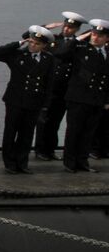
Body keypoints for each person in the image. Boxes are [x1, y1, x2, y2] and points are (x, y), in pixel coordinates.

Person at [0, 26, 56, 174]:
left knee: (26, 134)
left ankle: (22, 162)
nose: (33, 45)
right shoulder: (17, 55)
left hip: (34, 101)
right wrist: (18, 43)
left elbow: (49, 83)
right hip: (15, 100)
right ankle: (9, 162)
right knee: (10, 132)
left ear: (44, 45)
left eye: (37, 43)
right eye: (31, 42)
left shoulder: (48, 59)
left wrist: (45, 105)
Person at [54, 19, 109, 173]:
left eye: (100, 36)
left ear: (107, 38)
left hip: (97, 99)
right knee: (74, 131)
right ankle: (70, 163)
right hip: (78, 98)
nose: (95, 38)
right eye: (94, 34)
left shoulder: (107, 53)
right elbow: (60, 54)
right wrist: (77, 39)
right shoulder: (81, 48)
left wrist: (106, 100)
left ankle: (83, 161)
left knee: (88, 133)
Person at [33, 11, 88, 160]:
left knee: (56, 120)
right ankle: (40, 149)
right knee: (44, 120)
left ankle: (50, 149)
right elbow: (28, 35)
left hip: (66, 87)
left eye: (71, 27)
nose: (66, 29)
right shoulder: (53, 40)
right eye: (65, 26)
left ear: (76, 29)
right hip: (51, 87)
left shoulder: (81, 43)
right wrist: (45, 27)